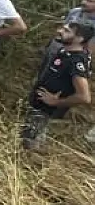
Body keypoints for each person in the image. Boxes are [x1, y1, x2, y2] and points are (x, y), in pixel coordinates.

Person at [21, 21, 93, 150]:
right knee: (28, 135)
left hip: (45, 110)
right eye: (62, 28)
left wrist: (56, 102)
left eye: (66, 31)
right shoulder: (64, 50)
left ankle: (30, 164)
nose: (60, 31)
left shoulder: (76, 62)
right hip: (38, 103)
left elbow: (84, 97)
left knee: (30, 141)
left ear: (79, 39)